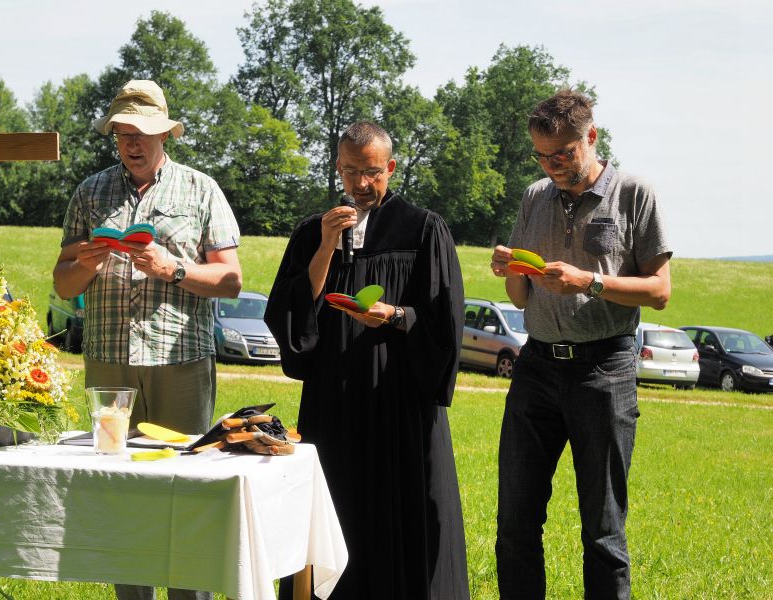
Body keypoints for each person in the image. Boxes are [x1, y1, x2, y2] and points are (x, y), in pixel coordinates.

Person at [264, 121, 470, 600]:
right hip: (333, 408)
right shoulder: (312, 232)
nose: (361, 184)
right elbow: (291, 316)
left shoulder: (422, 229)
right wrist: (326, 246)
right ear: (338, 167)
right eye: (351, 171)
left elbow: (444, 321)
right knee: (335, 515)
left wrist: (396, 316)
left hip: (401, 406)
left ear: (391, 168)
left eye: (372, 172)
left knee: (405, 517)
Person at [53, 79, 241, 600]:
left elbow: (231, 280)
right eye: (122, 133)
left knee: (184, 494)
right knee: (121, 497)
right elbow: (62, 282)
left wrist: (172, 268)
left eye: (143, 133)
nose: (132, 143)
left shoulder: (201, 190)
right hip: (109, 367)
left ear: (165, 135)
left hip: (180, 363)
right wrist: (85, 263)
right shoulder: (90, 193)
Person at [490, 90, 672, 599]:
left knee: (603, 530)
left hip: (605, 371)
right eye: (542, 156)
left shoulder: (634, 193)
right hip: (536, 369)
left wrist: (587, 281)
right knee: (515, 524)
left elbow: (660, 291)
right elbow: (518, 296)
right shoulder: (534, 197)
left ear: (590, 137)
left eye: (563, 154)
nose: (552, 167)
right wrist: (511, 269)